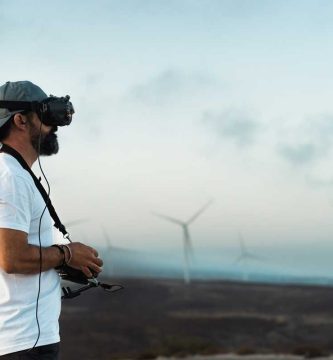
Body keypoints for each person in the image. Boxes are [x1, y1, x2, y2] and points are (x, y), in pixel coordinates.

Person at [0, 81, 103, 359]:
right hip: (23, 341)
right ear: (20, 120)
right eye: (45, 117)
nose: (53, 126)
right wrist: (68, 254)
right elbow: (12, 259)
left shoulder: (13, 174)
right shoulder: (10, 177)